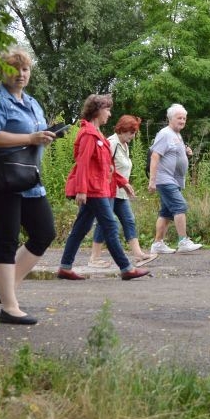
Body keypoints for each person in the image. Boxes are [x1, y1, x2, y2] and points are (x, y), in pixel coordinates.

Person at [0, 48, 58, 325]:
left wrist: (45, 136)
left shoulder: (33, 103)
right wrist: (31, 137)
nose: (21, 74)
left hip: (27, 176)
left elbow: (33, 136)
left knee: (44, 232)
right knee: (7, 239)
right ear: (2, 71)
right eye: (14, 69)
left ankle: (5, 288)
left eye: (25, 69)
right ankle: (10, 307)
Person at [58, 95, 151, 281]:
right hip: (92, 190)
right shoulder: (88, 134)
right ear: (97, 110)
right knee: (110, 225)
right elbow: (82, 163)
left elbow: (106, 167)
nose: (109, 113)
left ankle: (65, 267)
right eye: (107, 109)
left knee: (81, 227)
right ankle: (126, 268)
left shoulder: (98, 134)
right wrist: (82, 189)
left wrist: (123, 183)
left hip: (99, 188)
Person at [88, 115, 159, 268]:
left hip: (120, 192)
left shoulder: (124, 145)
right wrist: (122, 183)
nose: (133, 136)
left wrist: (125, 185)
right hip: (108, 191)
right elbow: (104, 167)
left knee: (129, 220)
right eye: (131, 133)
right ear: (123, 130)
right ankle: (94, 258)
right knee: (104, 223)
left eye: (134, 133)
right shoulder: (112, 143)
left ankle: (138, 254)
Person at [148, 104, 203, 254]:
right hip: (165, 179)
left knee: (166, 213)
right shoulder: (164, 133)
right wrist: (152, 180)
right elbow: (155, 155)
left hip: (175, 179)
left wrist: (186, 152)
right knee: (180, 206)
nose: (182, 121)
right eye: (179, 118)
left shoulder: (177, 134)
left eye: (184, 118)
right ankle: (183, 241)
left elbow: (173, 152)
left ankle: (157, 244)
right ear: (170, 119)